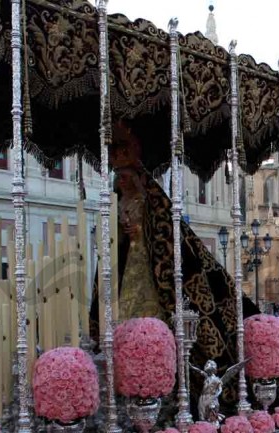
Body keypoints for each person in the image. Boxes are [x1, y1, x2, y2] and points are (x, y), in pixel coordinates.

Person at [89, 120, 259, 414]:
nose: (124, 185)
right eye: (121, 182)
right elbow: (114, 237)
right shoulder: (117, 203)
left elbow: (164, 232)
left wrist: (142, 232)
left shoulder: (154, 202)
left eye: (128, 180)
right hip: (129, 271)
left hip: (151, 271)